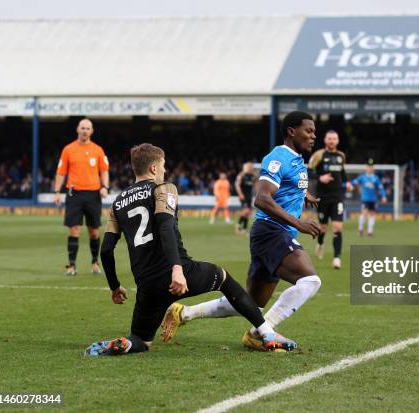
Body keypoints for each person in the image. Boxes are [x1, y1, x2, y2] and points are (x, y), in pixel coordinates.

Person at [91, 143, 297, 356]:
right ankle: (267, 334)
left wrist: (115, 287)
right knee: (224, 279)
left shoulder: (118, 203)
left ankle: (126, 344)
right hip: (177, 274)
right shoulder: (163, 188)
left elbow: (106, 250)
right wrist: (177, 269)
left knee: (142, 341)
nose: (165, 170)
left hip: (147, 284)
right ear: (153, 168)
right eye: (162, 165)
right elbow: (165, 226)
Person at [161, 111, 322, 351]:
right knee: (310, 281)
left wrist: (303, 195)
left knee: (252, 303)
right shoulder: (279, 156)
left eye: (314, 132)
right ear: (291, 131)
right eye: (308, 131)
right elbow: (262, 198)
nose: (313, 136)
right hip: (272, 232)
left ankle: (184, 313)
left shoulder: (298, 160)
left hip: (271, 234)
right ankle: (261, 332)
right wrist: (299, 223)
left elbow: (286, 186)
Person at [53, 118, 109, 276]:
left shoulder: (98, 150)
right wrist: (57, 191)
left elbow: (104, 170)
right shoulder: (68, 149)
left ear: (92, 131)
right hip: (74, 193)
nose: (85, 131)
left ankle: (95, 263)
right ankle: (71, 266)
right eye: (82, 128)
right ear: (77, 130)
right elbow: (61, 172)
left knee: (94, 231)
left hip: (93, 194)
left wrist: (105, 187)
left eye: (88, 128)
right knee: (74, 229)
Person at [308, 130, 352, 269]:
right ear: (325, 140)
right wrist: (320, 178)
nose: (332, 141)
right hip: (322, 197)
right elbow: (309, 171)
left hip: (337, 196)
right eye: (329, 138)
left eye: (334, 138)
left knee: (338, 227)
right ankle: (320, 243)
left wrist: (348, 183)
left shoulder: (341, 156)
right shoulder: (319, 155)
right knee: (323, 228)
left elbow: (342, 173)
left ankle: (337, 258)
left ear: (337, 141)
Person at [350, 159, 387, 236]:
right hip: (365, 199)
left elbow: (381, 188)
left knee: (372, 214)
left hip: (373, 199)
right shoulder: (362, 177)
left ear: (373, 167)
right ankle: (360, 230)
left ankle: (370, 231)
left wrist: (383, 196)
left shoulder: (376, 178)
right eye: (369, 166)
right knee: (364, 213)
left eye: (371, 166)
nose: (370, 168)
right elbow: (354, 182)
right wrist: (349, 185)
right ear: (366, 167)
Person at [234, 162, 257, 235]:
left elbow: (255, 185)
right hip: (243, 196)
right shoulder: (242, 175)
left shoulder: (253, 176)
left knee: (248, 213)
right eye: (250, 167)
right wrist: (240, 194)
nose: (251, 168)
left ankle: (244, 228)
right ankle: (238, 225)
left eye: (251, 167)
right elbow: (237, 185)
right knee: (246, 211)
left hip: (249, 196)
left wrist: (257, 193)